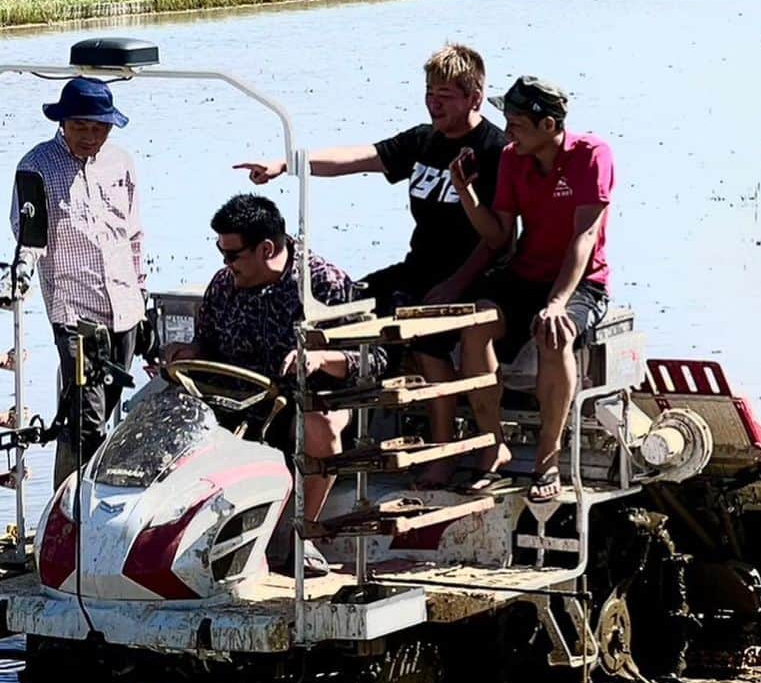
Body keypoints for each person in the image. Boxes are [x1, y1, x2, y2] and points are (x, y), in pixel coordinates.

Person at [235, 44, 507, 485]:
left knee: (429, 338)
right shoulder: (424, 140)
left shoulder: (495, 149)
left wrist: (458, 284)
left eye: (446, 95)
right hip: (422, 266)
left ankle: (441, 451)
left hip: (478, 274)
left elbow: (498, 238)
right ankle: (331, 429)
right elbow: (359, 159)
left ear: (474, 97)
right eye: (429, 93)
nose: (433, 103)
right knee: (350, 304)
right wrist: (287, 164)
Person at [429, 77, 614, 502]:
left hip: (581, 281)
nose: (507, 133)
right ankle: (492, 445)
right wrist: (466, 192)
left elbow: (584, 237)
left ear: (548, 125)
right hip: (525, 274)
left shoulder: (592, 155)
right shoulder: (514, 158)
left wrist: (556, 303)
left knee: (554, 333)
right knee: (475, 325)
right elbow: (499, 236)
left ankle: (546, 460)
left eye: (516, 123)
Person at [164, 194, 363, 575]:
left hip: (308, 400)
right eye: (221, 253)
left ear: (267, 248)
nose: (225, 264)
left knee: (321, 428)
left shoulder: (323, 284)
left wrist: (319, 359)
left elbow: (371, 360)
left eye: (232, 255)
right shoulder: (224, 286)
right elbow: (206, 341)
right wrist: (186, 350)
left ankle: (301, 538)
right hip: (236, 402)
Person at [8, 77, 147, 487]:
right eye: (81, 127)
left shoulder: (121, 162)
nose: (90, 137)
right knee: (87, 422)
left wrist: (143, 296)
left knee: (104, 413)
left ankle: (76, 505)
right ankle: (77, 518)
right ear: (63, 123)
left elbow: (134, 234)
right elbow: (29, 236)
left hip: (125, 310)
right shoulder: (36, 166)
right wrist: (19, 276)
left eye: (99, 128)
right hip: (75, 315)